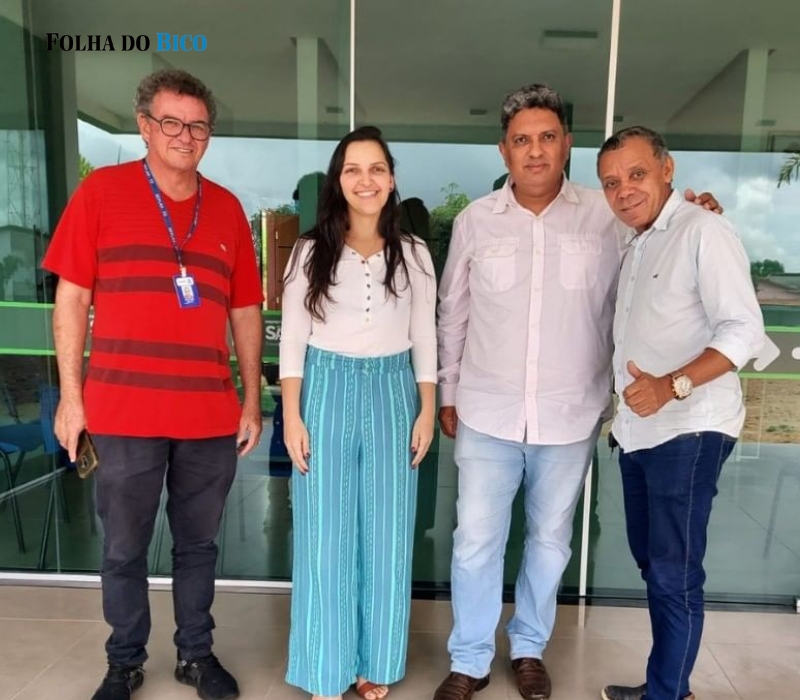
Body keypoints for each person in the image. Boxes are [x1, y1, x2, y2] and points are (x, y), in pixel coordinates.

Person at [434, 84, 721, 700]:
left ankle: (529, 649)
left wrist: (696, 212)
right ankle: (470, 657)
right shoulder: (475, 221)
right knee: (475, 541)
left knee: (550, 539)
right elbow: (452, 312)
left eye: (547, 137)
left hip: (571, 413)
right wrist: (448, 392)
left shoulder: (607, 215)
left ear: (566, 144)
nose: (535, 151)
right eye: (521, 140)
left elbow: (662, 249)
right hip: (487, 409)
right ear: (504, 150)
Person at [42, 69, 264, 700]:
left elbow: (245, 311)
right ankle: (124, 661)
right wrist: (72, 400)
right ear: (144, 126)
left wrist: (252, 399)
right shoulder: (100, 193)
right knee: (123, 548)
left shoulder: (227, 209)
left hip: (208, 416)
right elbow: (71, 299)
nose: (185, 136)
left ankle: (196, 654)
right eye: (171, 122)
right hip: (121, 413)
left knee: (199, 545)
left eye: (198, 125)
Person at [596, 127, 764, 700]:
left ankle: (666, 693)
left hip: (689, 429)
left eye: (637, 174)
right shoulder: (637, 242)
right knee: (654, 562)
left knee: (674, 570)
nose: (624, 190)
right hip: (639, 431)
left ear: (667, 170)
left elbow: (743, 330)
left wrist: (672, 386)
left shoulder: (703, 230)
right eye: (611, 183)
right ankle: (670, 685)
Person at [279, 126, 437, 700]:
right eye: (352, 169)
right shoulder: (309, 251)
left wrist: (427, 409)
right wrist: (292, 416)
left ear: (391, 180)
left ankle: (374, 662)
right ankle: (327, 667)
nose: (365, 180)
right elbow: (292, 339)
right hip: (325, 388)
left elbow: (425, 335)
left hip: (394, 391)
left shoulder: (414, 253)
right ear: (338, 180)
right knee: (325, 531)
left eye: (376, 169)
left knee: (388, 533)